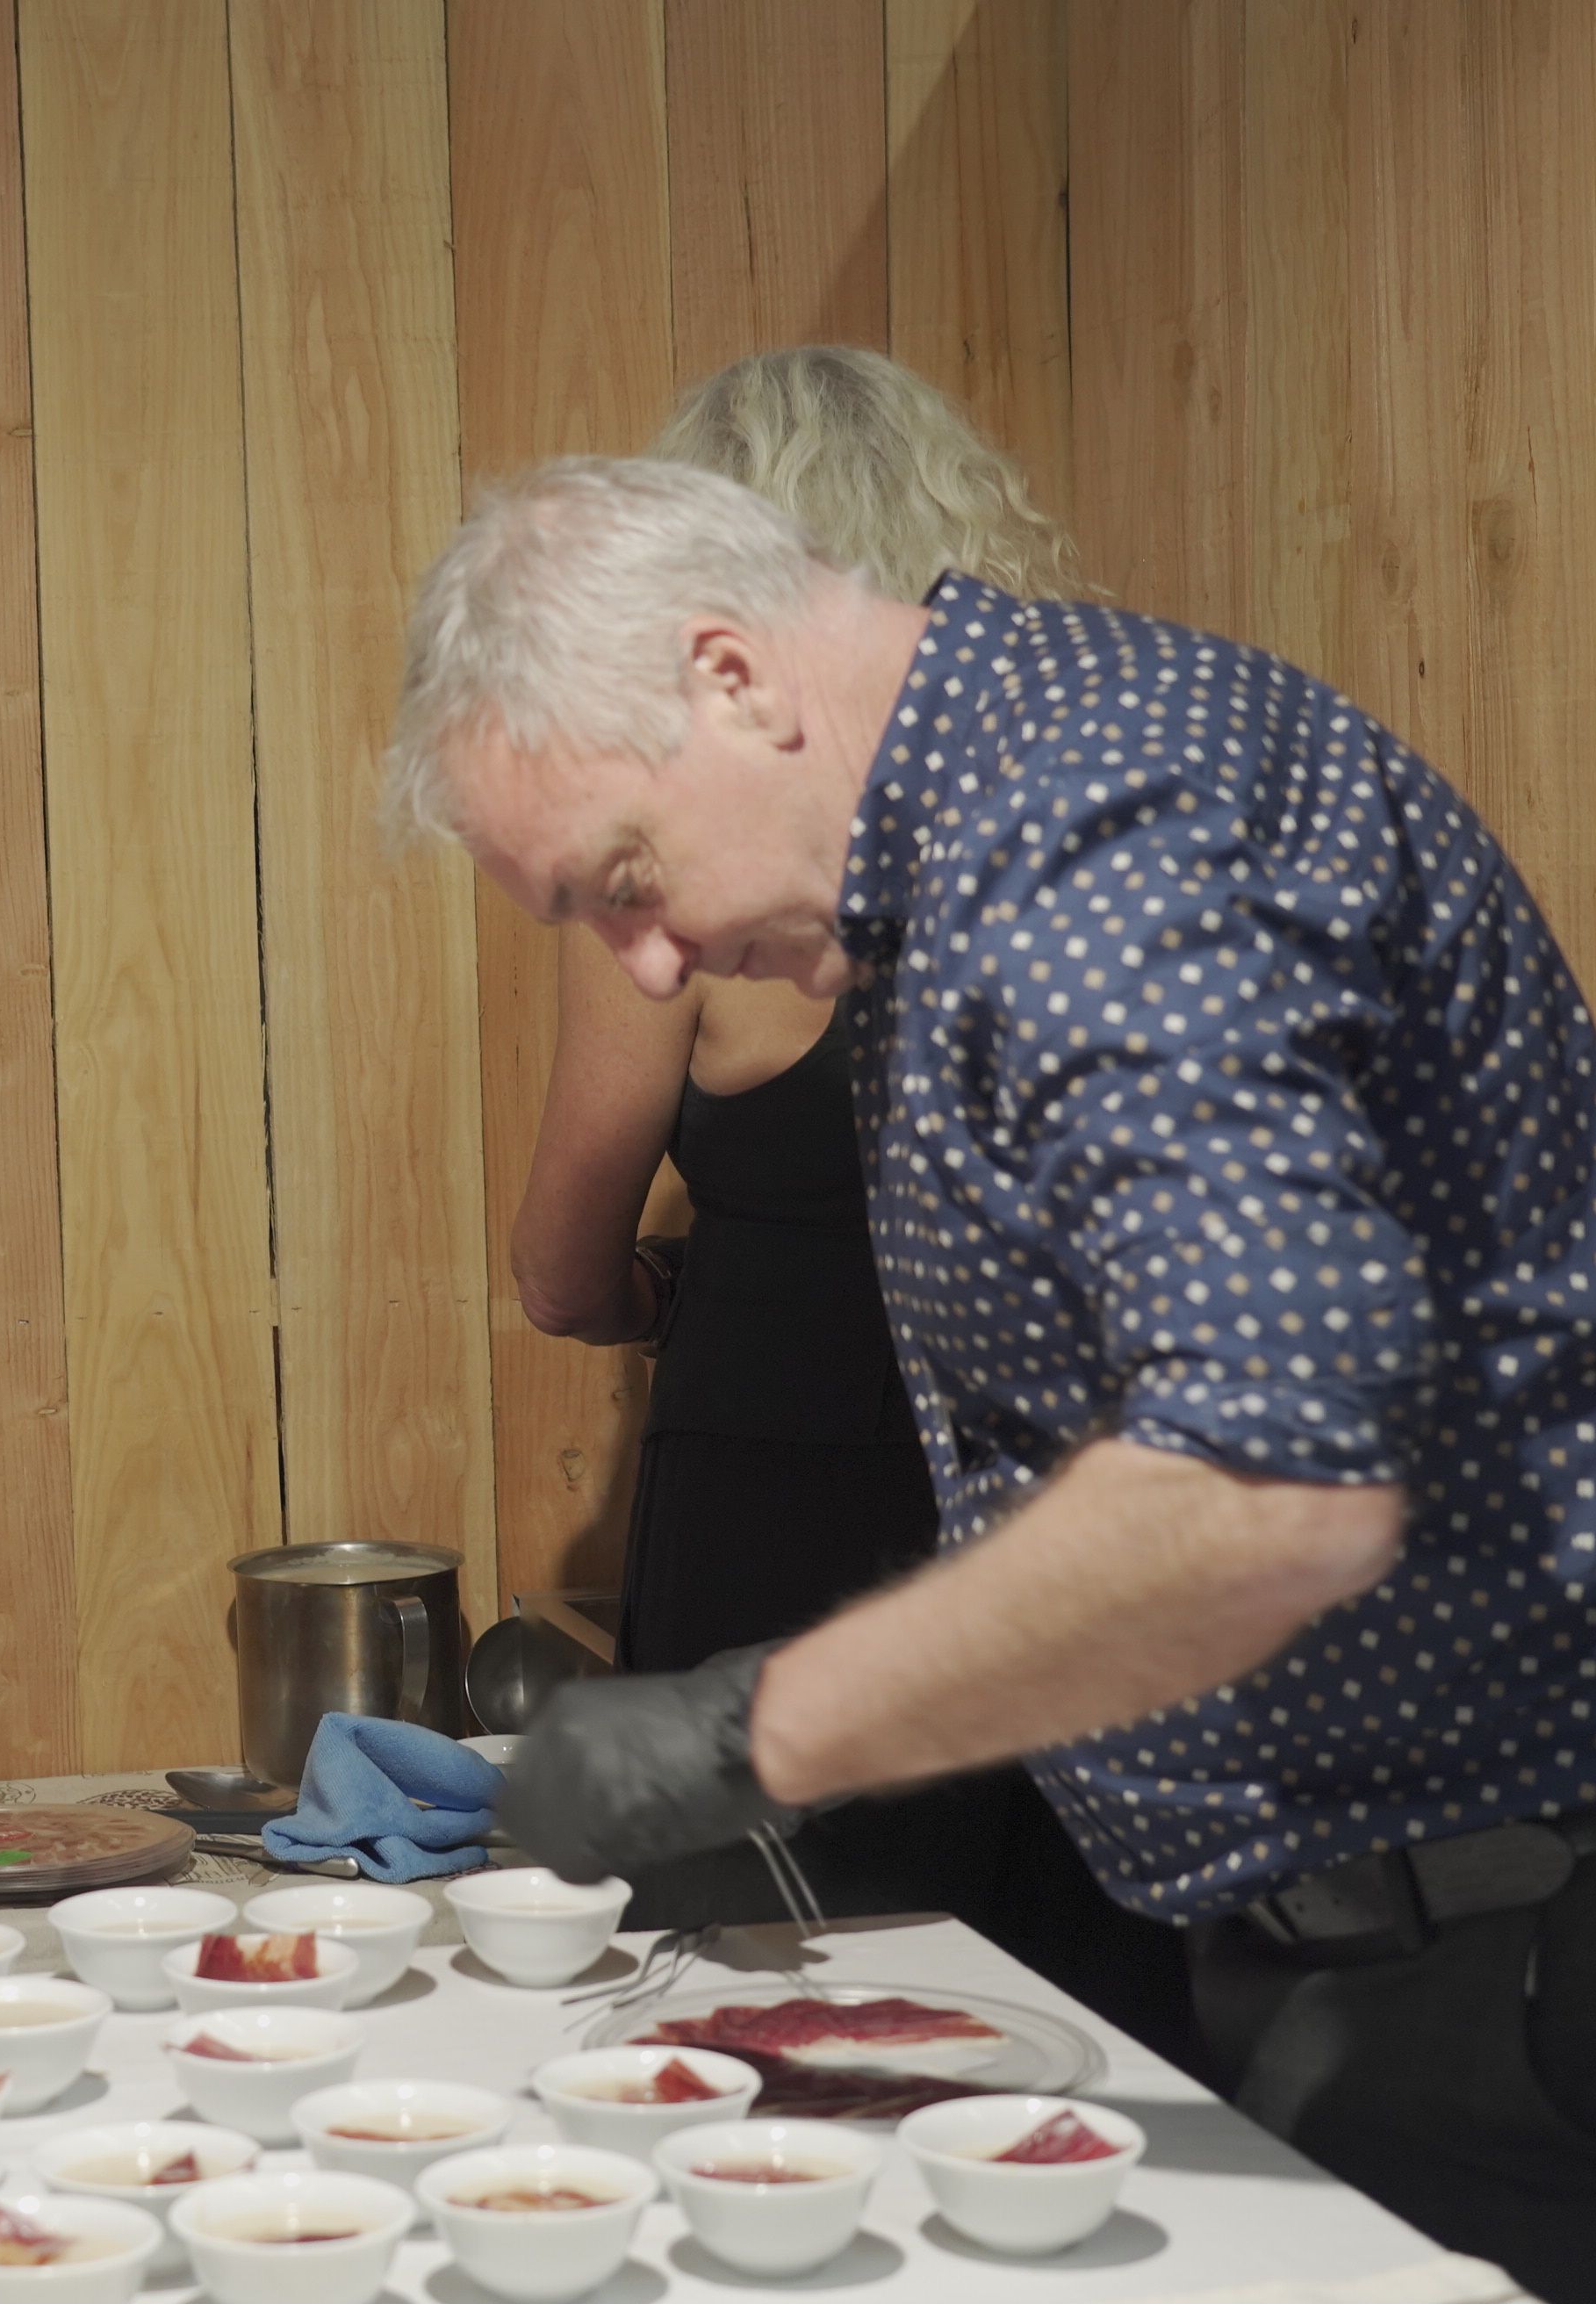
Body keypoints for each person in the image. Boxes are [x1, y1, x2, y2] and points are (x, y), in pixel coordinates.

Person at [385, 453, 1596, 2302]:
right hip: (1411, 1919)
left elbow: (1266, 1483)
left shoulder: (1084, 834)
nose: (650, 959)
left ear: (733, 678)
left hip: (1580, 1951)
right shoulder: (972, 829)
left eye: (628, 881)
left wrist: (749, 1727)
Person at [513, 349, 1192, 2061]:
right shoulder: (1049, 811)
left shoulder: (678, 850)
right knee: (1052, 2041)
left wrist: (649, 1303)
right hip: (1039, 1515)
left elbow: (558, 1264)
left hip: (776, 1518)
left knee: (758, 2044)